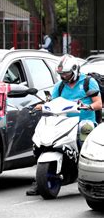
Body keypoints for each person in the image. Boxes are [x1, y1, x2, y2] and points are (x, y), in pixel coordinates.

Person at [26, 54, 102, 195]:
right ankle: (40, 179)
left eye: (66, 73)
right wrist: (41, 106)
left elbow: (98, 103)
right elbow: (52, 102)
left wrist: (88, 107)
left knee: (85, 129)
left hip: (83, 120)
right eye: (61, 74)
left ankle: (87, 168)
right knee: (42, 136)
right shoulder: (60, 86)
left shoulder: (88, 82)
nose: (63, 76)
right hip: (63, 119)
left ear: (74, 70)